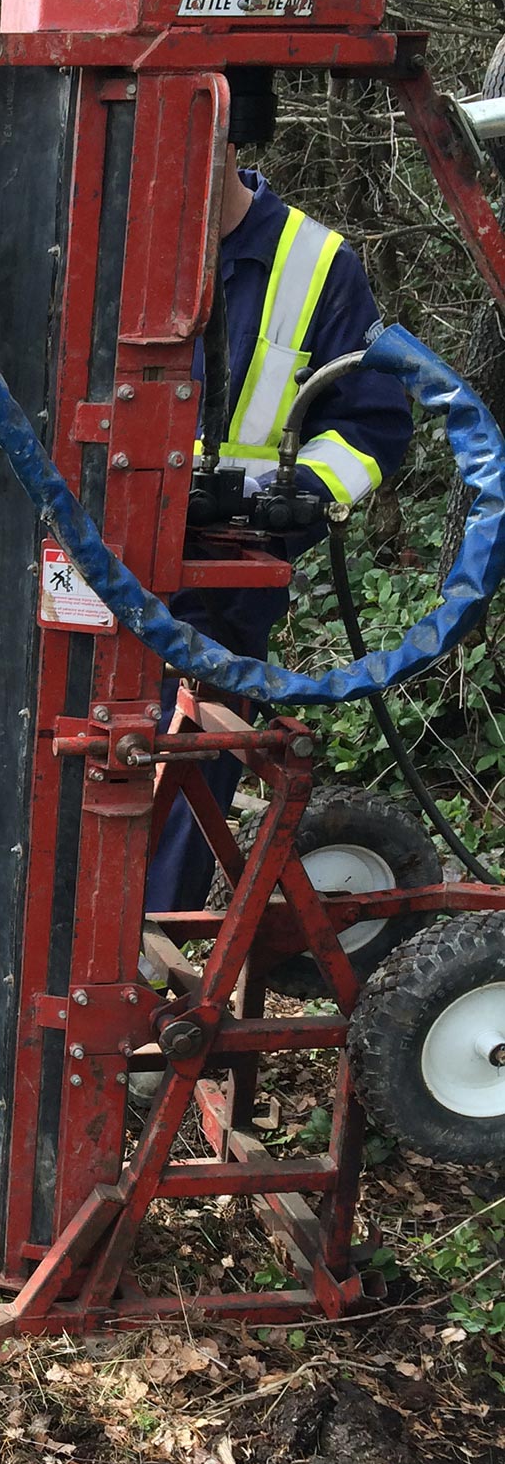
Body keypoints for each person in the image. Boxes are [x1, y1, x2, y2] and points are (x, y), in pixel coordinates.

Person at [145, 68, 414, 915]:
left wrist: (307, 488)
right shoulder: (121, 242)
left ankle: (140, 958)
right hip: (111, 552)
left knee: (195, 759)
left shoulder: (316, 264)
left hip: (230, 573)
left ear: (228, 142)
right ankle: (78, 948)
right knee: (90, 752)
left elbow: (375, 421)